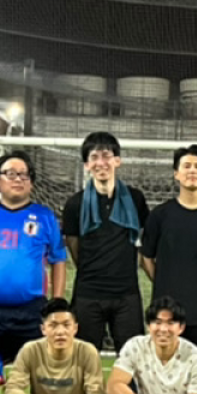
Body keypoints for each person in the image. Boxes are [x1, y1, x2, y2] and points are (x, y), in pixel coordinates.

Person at [0, 151, 67, 364]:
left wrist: (57, 302)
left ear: (31, 183)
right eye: (10, 174)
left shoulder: (45, 217)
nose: (18, 179)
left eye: (24, 175)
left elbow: (58, 260)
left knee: (35, 372)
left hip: (32, 312)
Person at [62, 132, 150, 353]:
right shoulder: (75, 204)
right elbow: (73, 246)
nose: (101, 163)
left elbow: (144, 239)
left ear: (117, 160)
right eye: (94, 157)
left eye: (106, 156)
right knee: (84, 360)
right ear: (86, 165)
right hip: (88, 294)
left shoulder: (135, 199)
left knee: (133, 359)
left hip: (126, 294)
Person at [140, 145, 197, 359]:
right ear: (176, 174)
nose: (192, 170)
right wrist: (165, 281)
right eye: (186, 166)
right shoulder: (160, 215)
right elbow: (146, 257)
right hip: (168, 315)